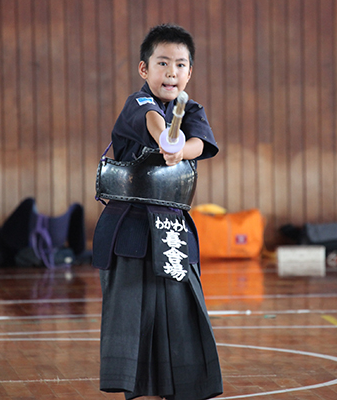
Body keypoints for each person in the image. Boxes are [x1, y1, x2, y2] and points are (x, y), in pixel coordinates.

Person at [92, 24, 223, 400]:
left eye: (180, 65)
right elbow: (154, 124)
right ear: (144, 70)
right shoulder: (139, 104)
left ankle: (185, 385)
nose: (171, 72)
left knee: (181, 308)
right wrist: (167, 138)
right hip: (131, 228)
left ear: (189, 73)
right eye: (162, 63)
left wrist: (181, 149)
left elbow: (199, 143)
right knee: (135, 309)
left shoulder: (191, 109)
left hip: (171, 228)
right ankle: (136, 385)